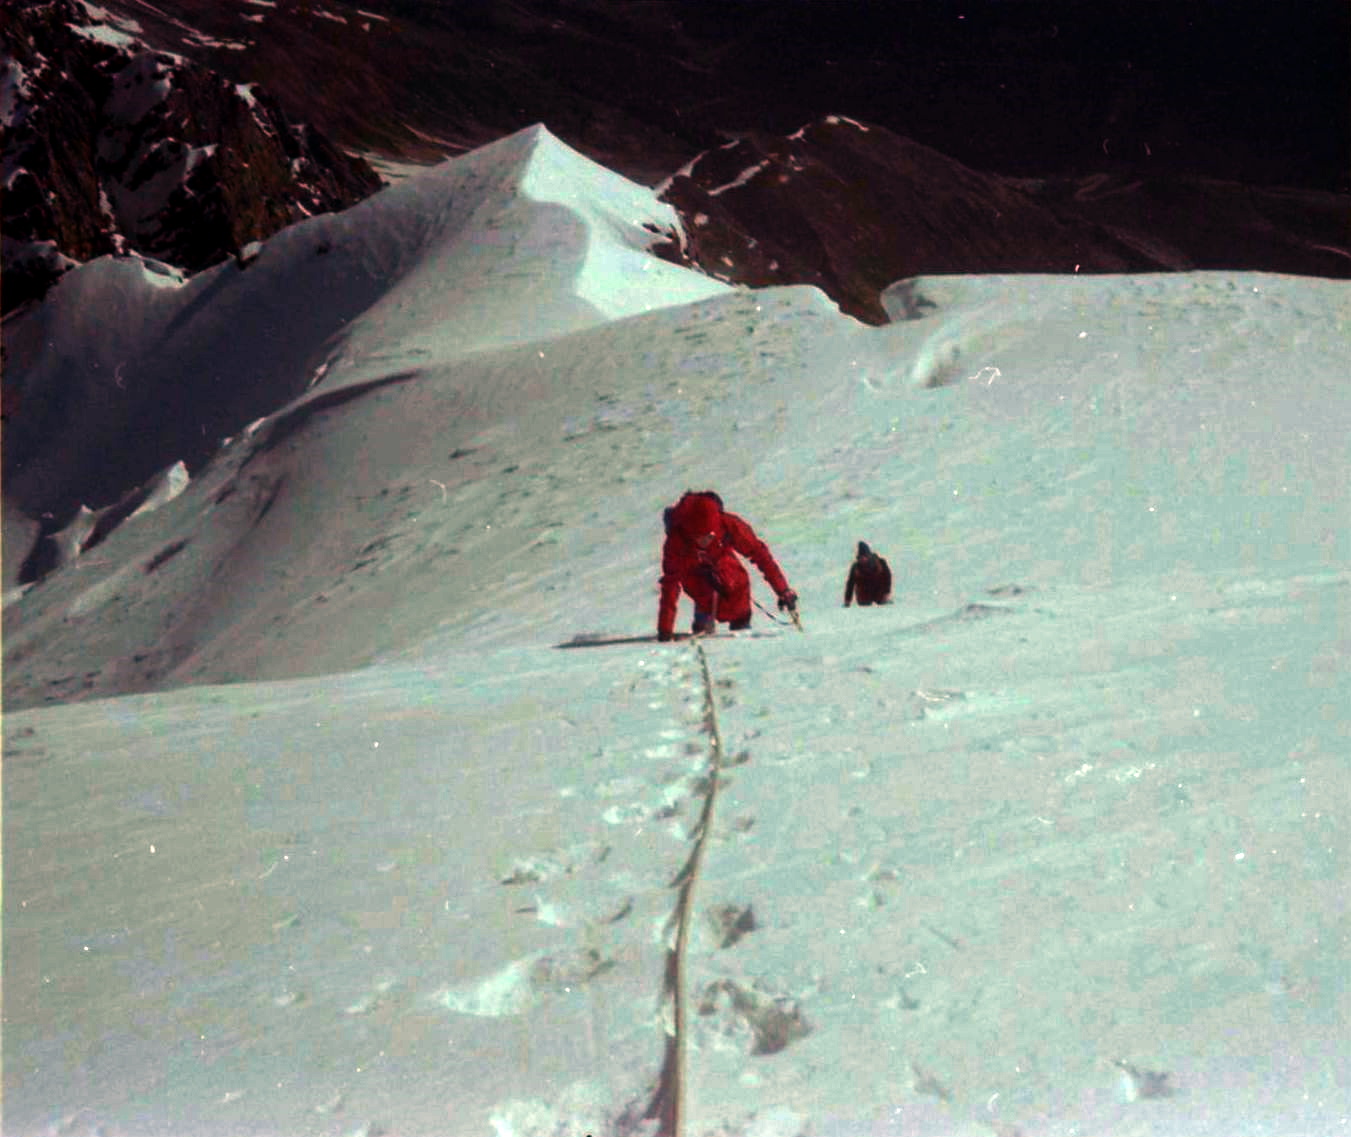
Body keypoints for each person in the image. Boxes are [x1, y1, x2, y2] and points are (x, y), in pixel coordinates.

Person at [657, 490, 797, 641]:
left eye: (710, 536)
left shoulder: (728, 525)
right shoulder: (676, 542)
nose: (706, 541)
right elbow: (670, 584)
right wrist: (665, 629)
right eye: (700, 536)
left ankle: (741, 632)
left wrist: (783, 591)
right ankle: (702, 628)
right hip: (699, 587)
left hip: (732, 581)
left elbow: (759, 555)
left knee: (739, 605)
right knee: (703, 600)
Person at [844, 540, 892, 607]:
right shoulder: (856, 568)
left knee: (881, 602)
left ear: (868, 556)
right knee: (864, 604)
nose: (862, 559)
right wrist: (847, 600)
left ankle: (884, 599)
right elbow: (850, 584)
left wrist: (887, 592)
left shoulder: (880, 563)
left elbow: (887, 578)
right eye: (860, 557)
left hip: (879, 592)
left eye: (864, 556)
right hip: (864, 596)